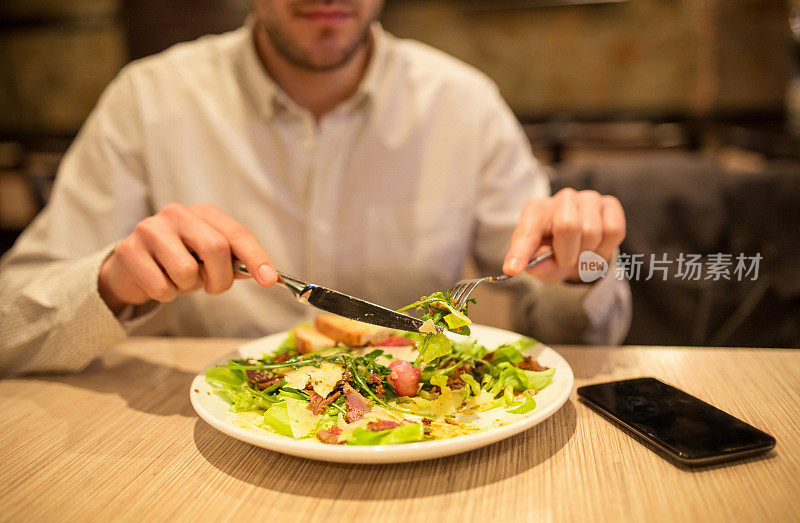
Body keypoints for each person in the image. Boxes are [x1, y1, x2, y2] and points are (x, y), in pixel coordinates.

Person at [0, 0, 630, 375]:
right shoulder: (150, 100)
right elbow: (11, 327)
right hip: (194, 453)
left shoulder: (463, 103)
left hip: (426, 452)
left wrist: (582, 270)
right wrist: (111, 283)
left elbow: (583, 333)